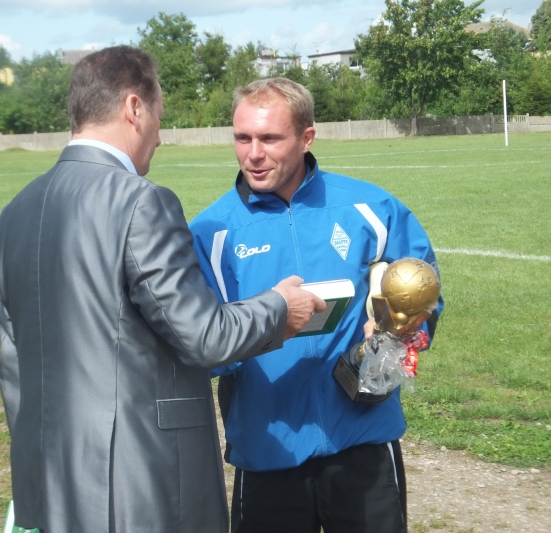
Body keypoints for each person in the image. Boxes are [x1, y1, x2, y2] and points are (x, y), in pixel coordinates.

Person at [0, 49, 324, 533]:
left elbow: (14, 368)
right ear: (134, 108)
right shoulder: (141, 202)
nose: (160, 136)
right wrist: (280, 307)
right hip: (138, 482)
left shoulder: (14, 212)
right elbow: (204, 337)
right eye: (159, 117)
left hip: (47, 481)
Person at [189, 77, 444, 533]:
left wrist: (401, 337)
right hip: (270, 450)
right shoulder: (211, 233)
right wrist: (259, 329)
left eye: (270, 138)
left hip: (364, 440)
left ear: (307, 137)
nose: (253, 153)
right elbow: (199, 344)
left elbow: (424, 286)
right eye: (242, 137)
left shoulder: (370, 207)